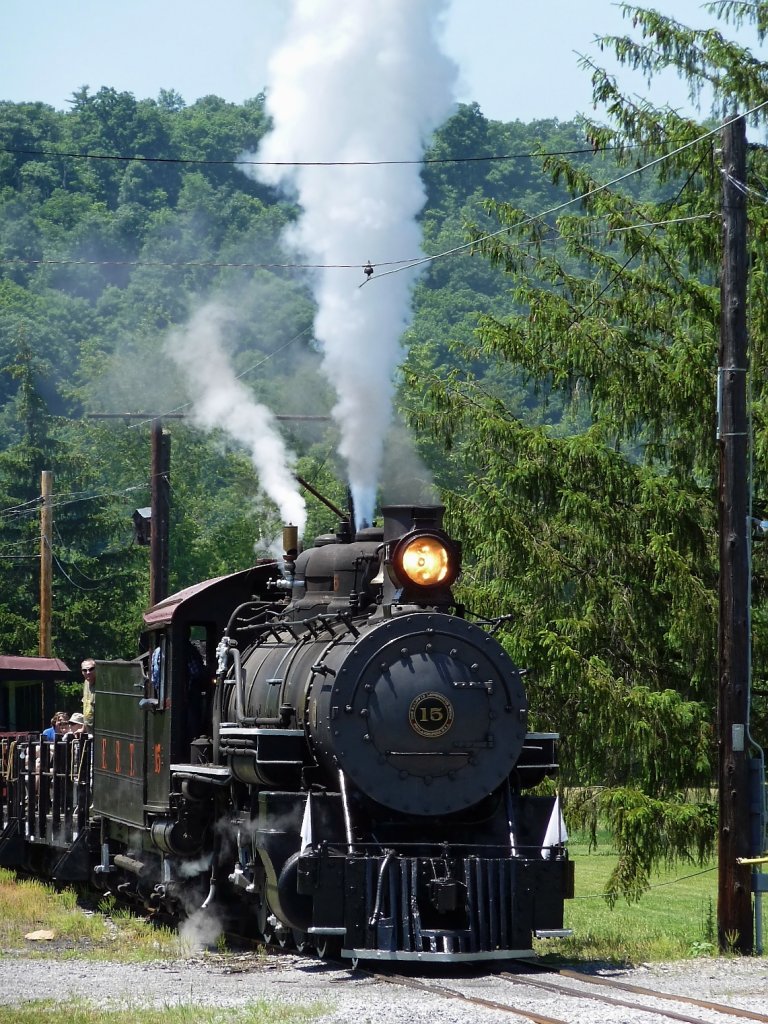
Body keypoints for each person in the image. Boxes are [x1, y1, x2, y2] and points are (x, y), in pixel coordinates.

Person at [80, 659, 96, 727]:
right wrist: (83, 729)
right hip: (89, 727)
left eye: (91, 669)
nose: (88, 672)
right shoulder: (86, 682)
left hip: (99, 727)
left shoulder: (102, 684)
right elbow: (86, 708)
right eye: (85, 670)